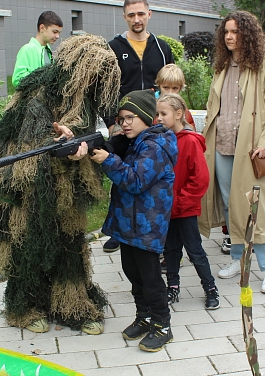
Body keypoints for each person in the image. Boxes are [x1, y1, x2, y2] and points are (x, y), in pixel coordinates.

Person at [0, 35, 120, 335]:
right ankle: (26, 307)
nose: (94, 83)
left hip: (65, 187)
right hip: (25, 189)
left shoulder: (83, 97)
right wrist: (58, 141)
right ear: (73, 69)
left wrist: (79, 142)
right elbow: (23, 145)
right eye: (92, 75)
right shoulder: (37, 93)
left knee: (70, 244)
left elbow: (85, 129)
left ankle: (71, 303)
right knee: (28, 244)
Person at [198, 11, 265, 295]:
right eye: (226, 32)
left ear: (247, 35)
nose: (230, 37)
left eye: (235, 32)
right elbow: (215, 108)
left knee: (254, 207)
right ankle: (238, 258)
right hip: (222, 145)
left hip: (253, 150)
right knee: (229, 204)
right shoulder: (222, 67)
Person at [90, 89, 178, 352]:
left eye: (131, 117)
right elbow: (113, 147)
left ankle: (163, 324)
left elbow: (135, 180)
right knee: (133, 273)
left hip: (147, 226)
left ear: (147, 117)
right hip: (129, 225)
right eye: (121, 118)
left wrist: (108, 161)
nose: (125, 123)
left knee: (151, 278)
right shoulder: (134, 141)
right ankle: (145, 316)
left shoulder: (156, 146)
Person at [103, 0, 174, 253]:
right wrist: (113, 123)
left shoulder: (161, 47)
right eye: (131, 15)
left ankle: (153, 228)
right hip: (124, 124)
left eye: (140, 14)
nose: (136, 19)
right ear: (125, 17)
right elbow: (106, 90)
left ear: (149, 14)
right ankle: (119, 232)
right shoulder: (113, 48)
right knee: (121, 175)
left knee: (152, 178)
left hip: (155, 124)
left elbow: (170, 87)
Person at [155, 93, 219, 310]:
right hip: (167, 209)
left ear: (179, 114)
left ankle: (210, 287)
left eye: (164, 113)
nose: (159, 118)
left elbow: (201, 179)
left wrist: (180, 202)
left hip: (184, 208)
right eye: (157, 114)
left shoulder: (190, 142)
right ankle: (172, 286)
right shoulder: (161, 139)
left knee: (194, 250)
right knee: (170, 250)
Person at [11, 11, 63, 88]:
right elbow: (17, 80)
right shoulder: (27, 49)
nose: (57, 36)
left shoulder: (48, 51)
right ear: (41, 28)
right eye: (54, 32)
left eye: (59, 33)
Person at [154, 64, 195, 130]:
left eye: (175, 88)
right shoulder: (151, 106)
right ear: (159, 86)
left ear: (180, 88)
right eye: (166, 87)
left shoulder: (182, 109)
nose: (170, 92)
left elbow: (190, 129)